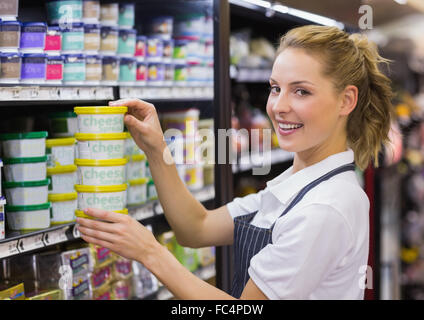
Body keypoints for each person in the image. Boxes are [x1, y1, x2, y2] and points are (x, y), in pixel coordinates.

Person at [76, 25, 394, 299]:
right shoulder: (299, 187)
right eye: (275, 88)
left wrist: (150, 252)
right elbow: (196, 228)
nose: (279, 106)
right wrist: (158, 150)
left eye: (301, 92)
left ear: (346, 100)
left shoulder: (324, 208)